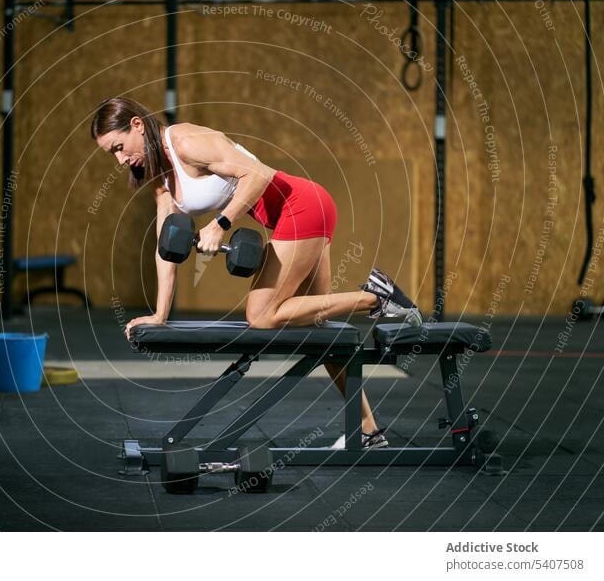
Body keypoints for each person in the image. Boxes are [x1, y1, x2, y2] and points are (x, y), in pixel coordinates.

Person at [91, 96, 423, 449]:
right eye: (112, 153)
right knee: (321, 334)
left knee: (261, 316)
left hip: (301, 205)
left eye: (119, 147)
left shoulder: (186, 141)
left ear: (137, 125)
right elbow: (166, 248)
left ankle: (375, 296)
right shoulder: (161, 176)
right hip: (301, 211)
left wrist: (220, 223)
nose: (121, 159)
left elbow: (260, 174)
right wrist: (159, 315)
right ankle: (369, 431)